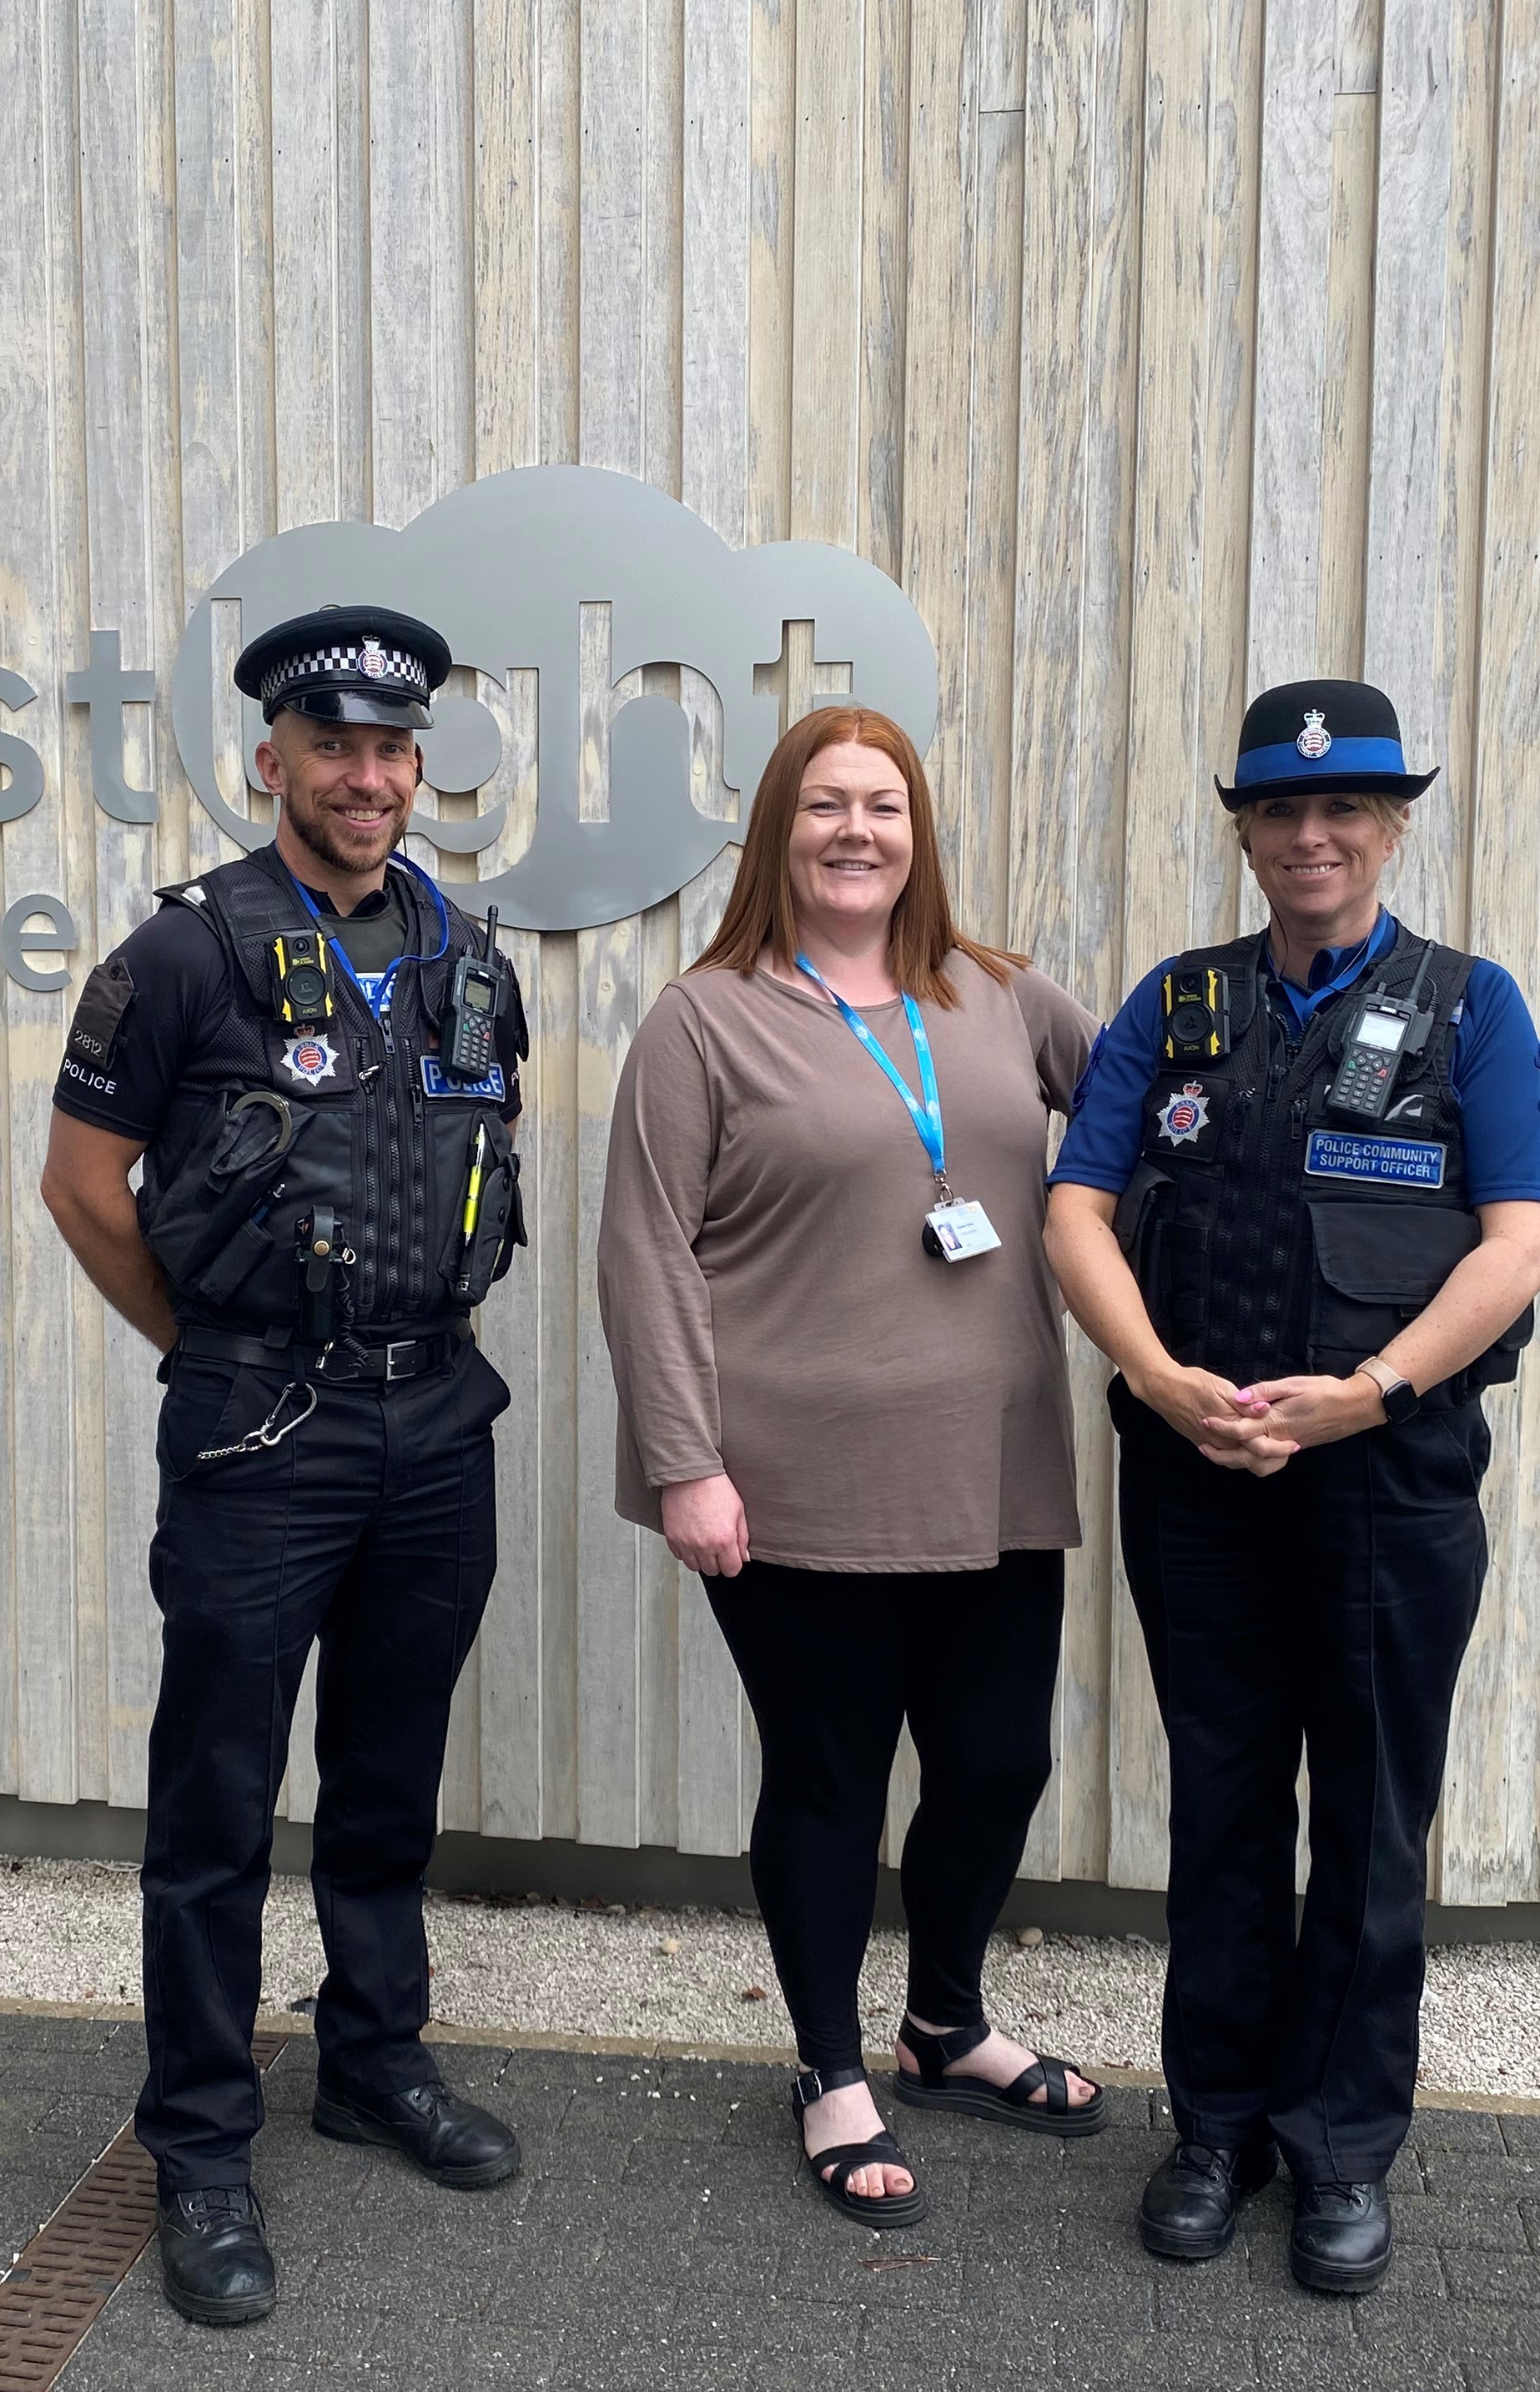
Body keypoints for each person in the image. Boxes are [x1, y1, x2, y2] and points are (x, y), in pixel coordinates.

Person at [39, 605, 532, 2328]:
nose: (371, 778)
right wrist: (202, 1348)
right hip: (261, 1428)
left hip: (435, 1423)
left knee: (390, 1782)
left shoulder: (467, 953)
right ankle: (199, 2140)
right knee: (221, 1802)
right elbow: (84, 1188)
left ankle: (374, 2058)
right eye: (337, 747)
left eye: (396, 751)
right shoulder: (181, 958)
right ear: (273, 761)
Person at [1042, 679, 1540, 2295]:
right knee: (1220, 1814)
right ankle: (1217, 2133)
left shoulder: (1470, 1008)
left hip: (1388, 1488)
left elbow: (1521, 1238)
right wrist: (1151, 1371)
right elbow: (1078, 1207)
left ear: (1392, 825)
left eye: (1345, 810)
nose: (1313, 836)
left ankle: (1342, 2151)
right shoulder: (1176, 1008)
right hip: (1200, 1482)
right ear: (1248, 831)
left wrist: (1371, 1396)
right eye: (1281, 811)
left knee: (1371, 1831)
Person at [596, 704, 1111, 2231]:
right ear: (779, 828)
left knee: (998, 1764)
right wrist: (685, 1461)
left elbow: (1156, 1116)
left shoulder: (1005, 997)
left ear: (918, 831)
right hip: (793, 1483)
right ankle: (830, 2066)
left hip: (999, 1466)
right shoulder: (705, 1019)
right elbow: (645, 1255)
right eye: (826, 805)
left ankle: (945, 2024)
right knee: (829, 1779)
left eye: (883, 806)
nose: (857, 832)